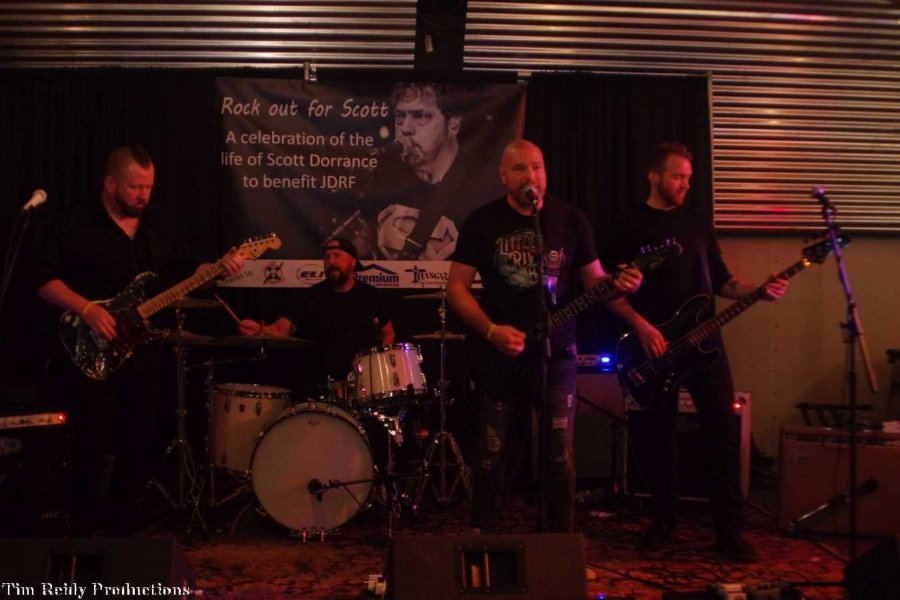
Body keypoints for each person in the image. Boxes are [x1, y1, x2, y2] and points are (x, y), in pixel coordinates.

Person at [34, 145, 244, 535]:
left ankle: (121, 524)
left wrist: (219, 268)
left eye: (148, 187)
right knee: (90, 439)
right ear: (111, 183)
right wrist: (87, 309)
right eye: (134, 187)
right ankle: (82, 528)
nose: (143, 196)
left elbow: (190, 272)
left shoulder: (160, 224)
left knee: (141, 438)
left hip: (143, 350)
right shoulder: (74, 222)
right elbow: (44, 280)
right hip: (88, 347)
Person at [446, 139, 642, 533]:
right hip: (500, 355)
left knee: (559, 453)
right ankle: (482, 533)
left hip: (558, 354)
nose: (531, 176)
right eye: (520, 169)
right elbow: (456, 288)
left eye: (537, 167)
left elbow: (595, 282)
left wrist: (622, 284)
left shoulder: (570, 218)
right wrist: (491, 331)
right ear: (503, 176)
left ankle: (560, 539)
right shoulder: (483, 221)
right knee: (492, 452)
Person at [608, 141, 789, 562]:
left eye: (689, 178)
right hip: (654, 347)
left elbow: (725, 282)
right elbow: (611, 293)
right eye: (677, 177)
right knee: (656, 436)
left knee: (723, 433)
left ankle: (730, 531)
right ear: (654, 176)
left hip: (705, 343)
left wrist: (759, 290)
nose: (685, 184)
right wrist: (642, 327)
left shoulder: (697, 222)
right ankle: (664, 520)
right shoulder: (628, 225)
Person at [331, 82, 507, 261]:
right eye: (400, 117)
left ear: (453, 125)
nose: (405, 128)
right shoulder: (385, 176)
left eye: (421, 116)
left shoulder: (483, 188)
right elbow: (363, 240)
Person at [238, 237, 395, 383]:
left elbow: (388, 333)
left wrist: (376, 364)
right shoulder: (309, 296)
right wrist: (260, 329)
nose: (330, 261)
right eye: (326, 257)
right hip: (319, 383)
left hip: (362, 382)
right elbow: (282, 329)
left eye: (337, 255)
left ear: (353, 261)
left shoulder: (370, 295)